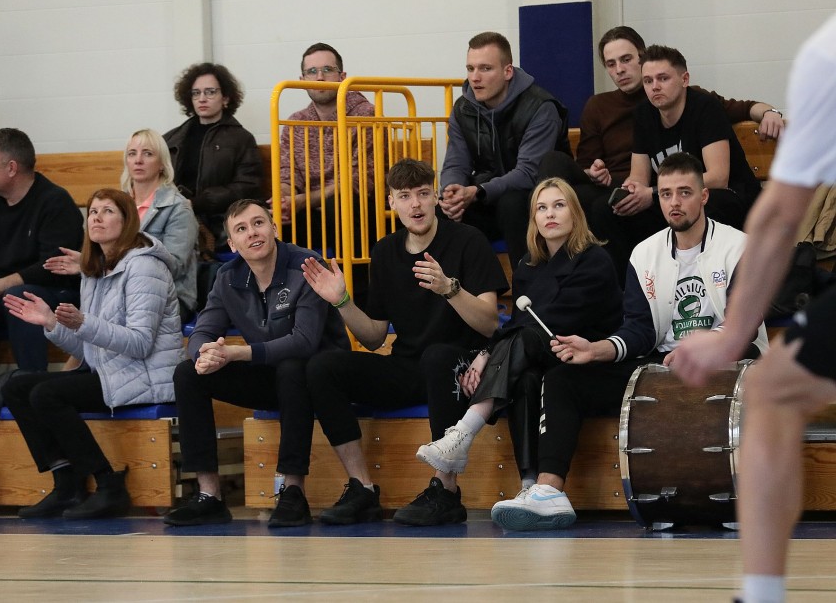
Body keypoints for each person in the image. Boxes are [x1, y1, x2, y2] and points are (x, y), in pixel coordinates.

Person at [490, 151, 768, 532]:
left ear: (704, 196)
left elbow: (743, 326)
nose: (674, 202)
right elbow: (639, 330)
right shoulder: (644, 254)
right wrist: (596, 349)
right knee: (563, 378)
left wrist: (698, 347)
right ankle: (549, 491)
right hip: (660, 365)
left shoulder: (740, 246)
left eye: (685, 192)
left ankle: (732, 490)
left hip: (733, 361)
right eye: (666, 194)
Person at [670, 14, 836, 603]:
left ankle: (763, 593)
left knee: (770, 391)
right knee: (773, 389)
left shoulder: (827, 55)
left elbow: (781, 214)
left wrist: (731, 333)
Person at [302, 158, 509, 525]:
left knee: (437, 357)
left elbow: (490, 322)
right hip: (409, 365)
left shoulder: (468, 240)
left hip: (462, 365)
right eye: (405, 196)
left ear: (436, 198)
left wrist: (449, 289)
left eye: (423, 194)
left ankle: (446, 490)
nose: (415, 204)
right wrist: (342, 301)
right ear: (391, 202)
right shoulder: (385, 251)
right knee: (322, 367)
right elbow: (373, 337)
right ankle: (362, 487)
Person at [411, 177, 621, 518]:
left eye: (559, 205)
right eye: (541, 207)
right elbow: (519, 323)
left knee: (527, 341)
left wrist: (492, 353)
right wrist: (485, 353)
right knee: (524, 377)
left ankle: (464, 432)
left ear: (575, 212)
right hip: (542, 353)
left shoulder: (595, 259)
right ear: (533, 218)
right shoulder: (527, 265)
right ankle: (528, 485)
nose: (549, 214)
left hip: (587, 357)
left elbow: (554, 321)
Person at [164, 199, 349, 528]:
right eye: (241, 229)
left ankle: (292, 492)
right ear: (232, 245)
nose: (252, 232)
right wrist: (205, 353)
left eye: (258, 223)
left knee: (292, 367)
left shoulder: (306, 265)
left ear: (274, 229)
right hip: (270, 378)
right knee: (188, 373)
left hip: (318, 380)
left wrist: (238, 353)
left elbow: (304, 342)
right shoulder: (227, 276)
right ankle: (209, 495)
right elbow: (203, 330)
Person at [2, 188, 183, 520]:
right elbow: (90, 349)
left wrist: (84, 322)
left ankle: (109, 485)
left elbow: (140, 343)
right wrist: (51, 323)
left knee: (47, 394)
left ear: (128, 222)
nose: (97, 217)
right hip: (111, 373)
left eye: (108, 211)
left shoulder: (146, 267)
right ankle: (66, 484)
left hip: (145, 376)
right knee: (16, 386)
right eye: (93, 211)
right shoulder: (94, 271)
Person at [539, 25, 783, 217]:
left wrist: (770, 112)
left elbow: (739, 112)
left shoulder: (697, 101)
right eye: (611, 64)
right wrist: (607, 178)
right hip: (639, 189)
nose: (619, 70)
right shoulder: (634, 111)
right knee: (582, 191)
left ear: (641, 59)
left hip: (686, 192)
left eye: (626, 60)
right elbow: (630, 174)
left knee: (688, 202)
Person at [592, 45, 763, 283]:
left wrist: (654, 193)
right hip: (672, 199)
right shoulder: (643, 114)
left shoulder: (705, 107)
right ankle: (634, 288)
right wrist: (632, 191)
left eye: (663, 78)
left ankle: (703, 283)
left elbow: (718, 177)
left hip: (727, 199)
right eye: (648, 81)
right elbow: (639, 176)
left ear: (684, 79)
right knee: (605, 211)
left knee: (703, 204)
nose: (655, 87)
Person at [440, 31, 571, 271]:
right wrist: (451, 193)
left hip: (535, 195)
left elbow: (528, 173)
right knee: (439, 213)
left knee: (511, 204)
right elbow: (455, 163)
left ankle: (527, 285)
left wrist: (478, 191)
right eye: (470, 69)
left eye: (485, 68)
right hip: (487, 194)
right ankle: (460, 290)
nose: (475, 78)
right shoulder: (462, 109)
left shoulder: (541, 107)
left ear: (508, 71)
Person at [44, 128, 199, 323]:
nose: (138, 160)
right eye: (132, 154)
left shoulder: (178, 207)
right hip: (117, 290)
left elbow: (173, 266)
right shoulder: (116, 203)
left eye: (148, 154)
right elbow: (106, 254)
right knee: (70, 312)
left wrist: (101, 264)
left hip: (167, 295)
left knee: (99, 321)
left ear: (162, 164)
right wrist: (88, 262)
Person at [0, 128, 84, 371]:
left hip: (53, 296)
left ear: (11, 168)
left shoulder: (55, 202)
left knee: (20, 297)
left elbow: (52, 267)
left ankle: (31, 382)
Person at [277, 42, 375, 251]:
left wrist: (305, 200)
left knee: (340, 205)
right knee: (266, 213)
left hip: (357, 212)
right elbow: (287, 174)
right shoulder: (295, 122)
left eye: (328, 70)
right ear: (302, 80)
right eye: (312, 72)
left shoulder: (366, 114)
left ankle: (355, 274)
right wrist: (284, 199)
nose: (320, 77)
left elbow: (360, 181)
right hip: (311, 214)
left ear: (342, 76)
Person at [163, 63, 262, 256]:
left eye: (210, 92)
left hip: (219, 221)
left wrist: (199, 202)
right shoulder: (171, 138)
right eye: (196, 93)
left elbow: (248, 186)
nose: (202, 98)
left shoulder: (241, 139)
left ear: (225, 98)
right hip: (175, 217)